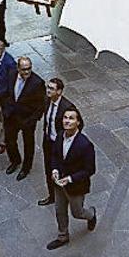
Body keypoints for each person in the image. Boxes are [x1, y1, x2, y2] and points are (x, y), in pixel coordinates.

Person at [47, 106, 97, 250]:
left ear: (78, 122)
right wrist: (55, 169)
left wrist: (70, 179)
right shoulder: (59, 136)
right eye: (65, 117)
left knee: (78, 212)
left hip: (75, 185)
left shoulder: (85, 144)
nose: (67, 121)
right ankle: (63, 236)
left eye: (71, 118)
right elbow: (55, 156)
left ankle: (91, 214)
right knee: (59, 210)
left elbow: (90, 169)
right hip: (59, 184)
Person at [1, 56, 45, 180]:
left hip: (27, 119)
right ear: (18, 68)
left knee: (28, 144)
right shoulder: (11, 74)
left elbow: (41, 104)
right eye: (24, 69)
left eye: (29, 69)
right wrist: (5, 108)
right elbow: (6, 92)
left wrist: (33, 120)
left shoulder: (37, 82)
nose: (26, 72)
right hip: (11, 116)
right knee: (10, 141)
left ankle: (26, 168)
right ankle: (15, 161)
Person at [38, 78, 74, 206]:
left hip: (60, 144)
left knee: (62, 169)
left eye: (52, 88)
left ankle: (66, 195)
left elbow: (78, 125)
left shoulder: (67, 107)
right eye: (48, 87)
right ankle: (52, 195)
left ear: (59, 91)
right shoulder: (47, 100)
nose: (48, 90)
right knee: (49, 169)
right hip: (48, 142)